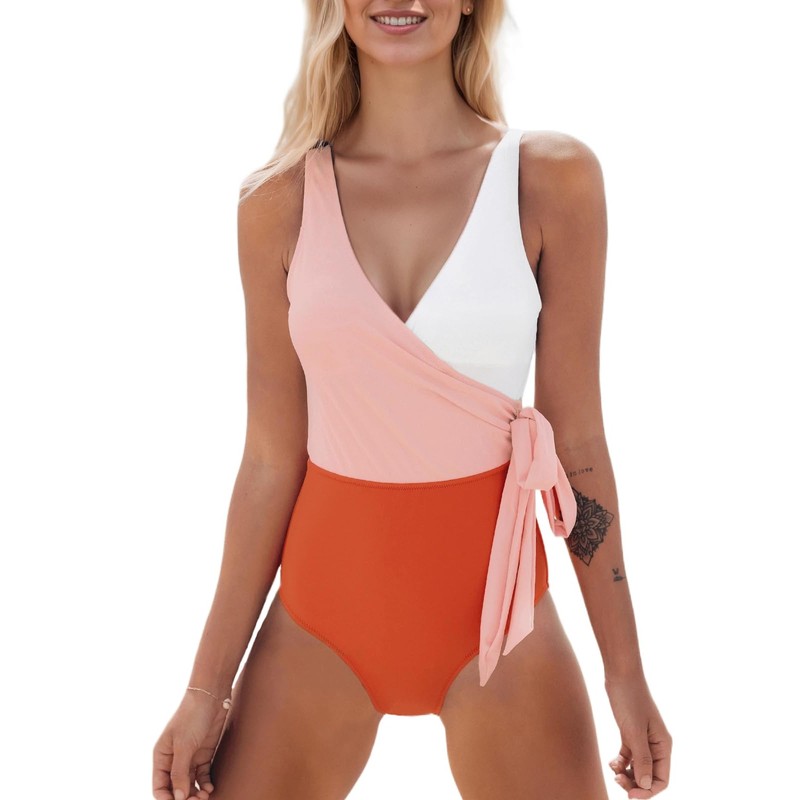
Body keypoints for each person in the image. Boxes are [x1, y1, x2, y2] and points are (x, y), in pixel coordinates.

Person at [152, 2, 673, 798]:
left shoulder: (550, 179)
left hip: (501, 630)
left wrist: (625, 672)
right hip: (319, 625)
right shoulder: (276, 202)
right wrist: (204, 689)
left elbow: (578, 454)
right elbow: (267, 461)